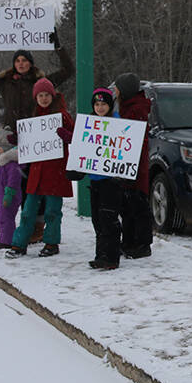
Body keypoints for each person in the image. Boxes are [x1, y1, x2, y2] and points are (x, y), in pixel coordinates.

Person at [6, 78, 73, 257]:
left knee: (52, 211)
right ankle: (19, 243)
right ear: (36, 98)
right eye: (40, 95)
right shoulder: (33, 116)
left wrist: (66, 135)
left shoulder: (62, 115)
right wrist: (17, 139)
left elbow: (75, 137)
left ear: (52, 95)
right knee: (28, 211)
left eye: (46, 95)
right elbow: (28, 140)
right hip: (36, 173)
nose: (44, 98)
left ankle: (51, 242)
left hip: (55, 172)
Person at [0, 31, 75, 127]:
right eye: (17, 61)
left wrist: (58, 48)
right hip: (10, 132)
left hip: (35, 132)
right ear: (14, 64)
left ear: (30, 63)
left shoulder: (42, 82)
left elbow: (68, 70)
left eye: (24, 60)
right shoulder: (5, 81)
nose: (21, 63)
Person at [113, 73, 154, 260]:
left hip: (135, 166)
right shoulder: (129, 107)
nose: (115, 92)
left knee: (137, 207)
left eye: (118, 88)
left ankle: (142, 244)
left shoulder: (135, 110)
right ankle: (130, 241)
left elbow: (132, 140)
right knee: (127, 206)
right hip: (129, 165)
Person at [86, 87, 126, 270]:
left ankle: (111, 256)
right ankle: (101, 254)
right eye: (97, 104)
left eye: (103, 104)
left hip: (112, 178)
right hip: (95, 178)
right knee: (97, 219)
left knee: (108, 217)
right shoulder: (89, 123)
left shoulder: (117, 123)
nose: (100, 108)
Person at [0, 128, 23, 250]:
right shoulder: (3, 162)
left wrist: (9, 195)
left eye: (1, 147)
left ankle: (7, 240)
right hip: (2, 195)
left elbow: (13, 182)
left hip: (9, 196)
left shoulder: (12, 164)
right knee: (2, 216)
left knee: (7, 217)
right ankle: (4, 238)